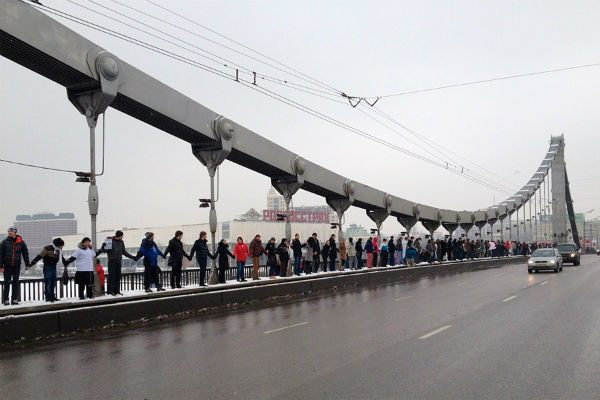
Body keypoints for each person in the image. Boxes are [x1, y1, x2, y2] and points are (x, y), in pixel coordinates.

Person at [97, 230, 138, 295]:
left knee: (117, 276)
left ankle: (117, 291)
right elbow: (104, 251)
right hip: (112, 261)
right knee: (111, 277)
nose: (122, 237)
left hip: (118, 261)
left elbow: (124, 252)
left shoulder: (121, 242)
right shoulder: (110, 241)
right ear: (119, 236)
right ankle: (110, 292)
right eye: (122, 236)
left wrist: (132, 257)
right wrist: (103, 246)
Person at [0, 226, 31, 305]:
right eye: (8, 231)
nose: (9, 233)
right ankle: (6, 299)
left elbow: (25, 254)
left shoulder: (21, 242)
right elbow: (0, 255)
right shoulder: (4, 242)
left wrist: (27, 264)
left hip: (17, 265)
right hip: (7, 265)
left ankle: (14, 299)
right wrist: (0, 266)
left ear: (15, 232)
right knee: (7, 282)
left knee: (15, 282)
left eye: (11, 231)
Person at [31, 237, 66, 302]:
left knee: (53, 282)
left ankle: (52, 296)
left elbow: (62, 258)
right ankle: (48, 297)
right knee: (48, 282)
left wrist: (66, 263)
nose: (62, 247)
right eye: (61, 246)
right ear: (57, 245)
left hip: (54, 267)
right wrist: (31, 264)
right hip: (47, 267)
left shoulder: (58, 250)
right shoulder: (47, 249)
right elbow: (39, 256)